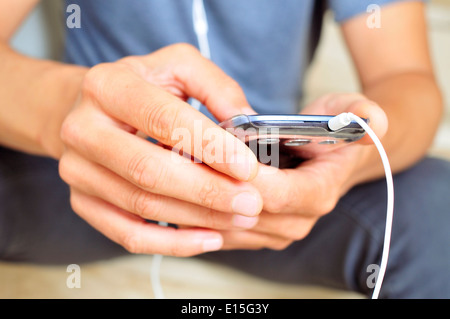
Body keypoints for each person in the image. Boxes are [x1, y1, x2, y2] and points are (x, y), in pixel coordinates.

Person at [1, 0, 449, 298]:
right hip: (85, 174)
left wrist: (356, 156)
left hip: (274, 190)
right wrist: (65, 110)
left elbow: (406, 78)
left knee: (440, 211)